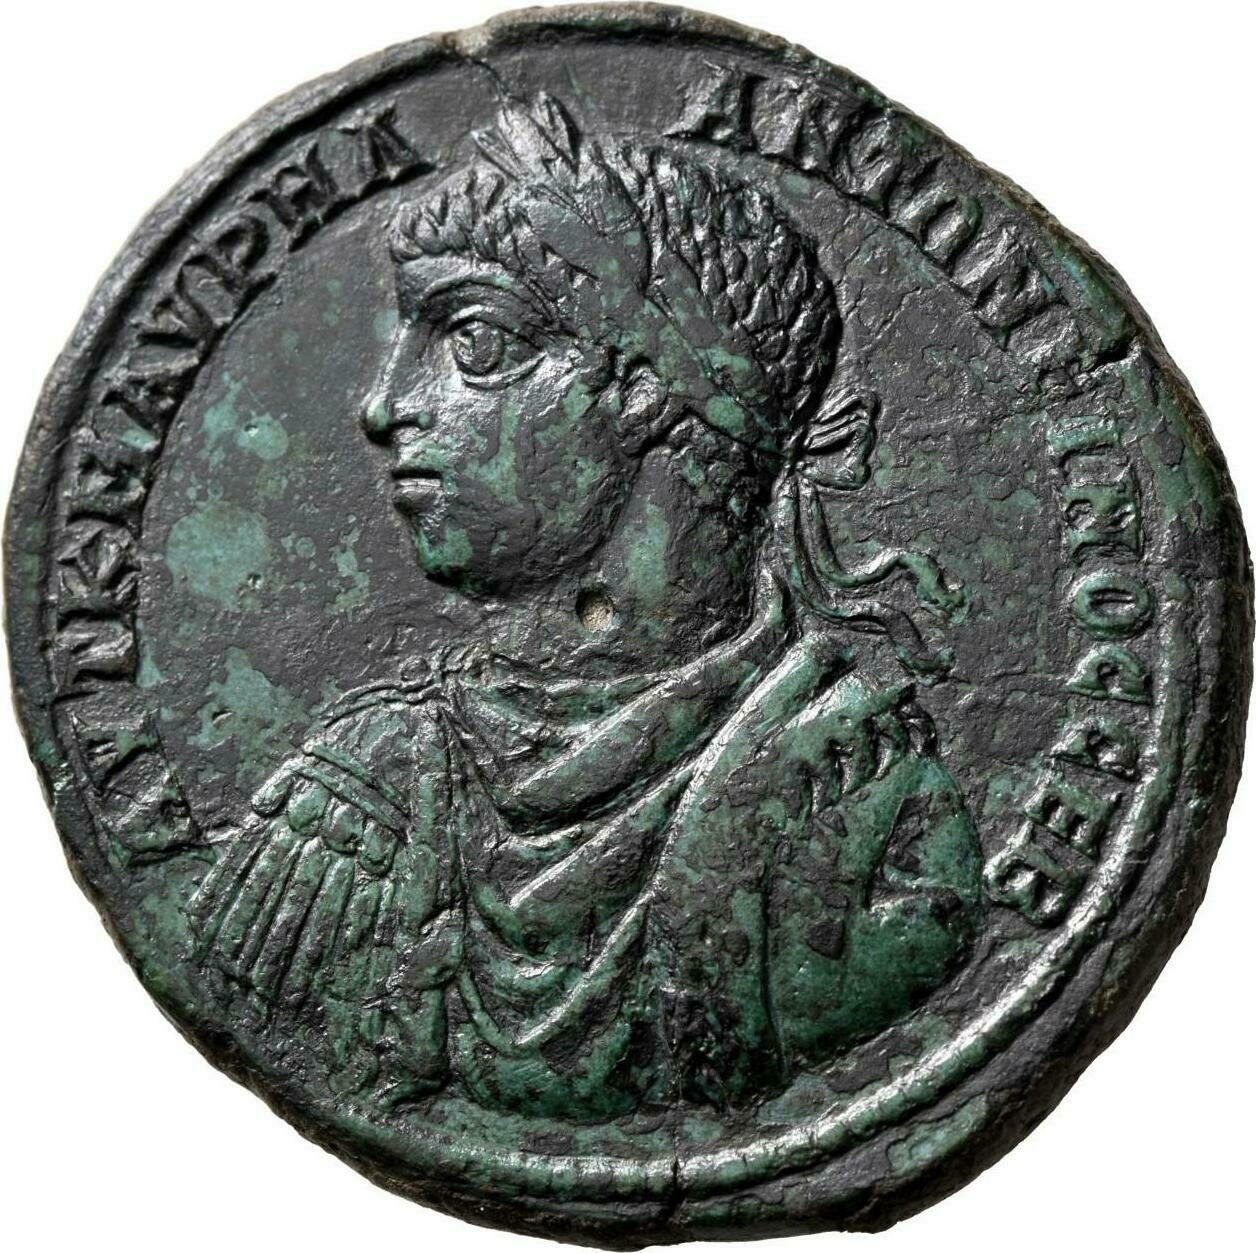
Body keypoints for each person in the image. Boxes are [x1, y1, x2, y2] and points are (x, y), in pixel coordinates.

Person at [191, 92, 982, 1119]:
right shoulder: (366, 792)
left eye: (475, 341)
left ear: (645, 386)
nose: (386, 404)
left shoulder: (864, 795)